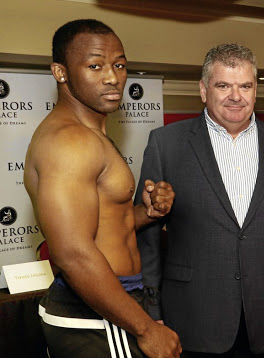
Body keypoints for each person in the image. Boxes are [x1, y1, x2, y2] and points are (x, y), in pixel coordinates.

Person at [134, 43, 264, 358]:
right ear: (204, 90)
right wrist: (151, 313)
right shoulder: (166, 144)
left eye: (245, 86)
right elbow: (147, 239)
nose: (236, 96)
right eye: (223, 85)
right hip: (191, 320)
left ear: (255, 89)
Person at [24, 19, 182, 358]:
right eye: (95, 66)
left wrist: (147, 212)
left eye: (119, 65)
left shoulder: (90, 134)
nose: (112, 77)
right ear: (61, 72)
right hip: (95, 316)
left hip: (109, 305)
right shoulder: (70, 141)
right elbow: (73, 254)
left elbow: (104, 225)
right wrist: (146, 328)